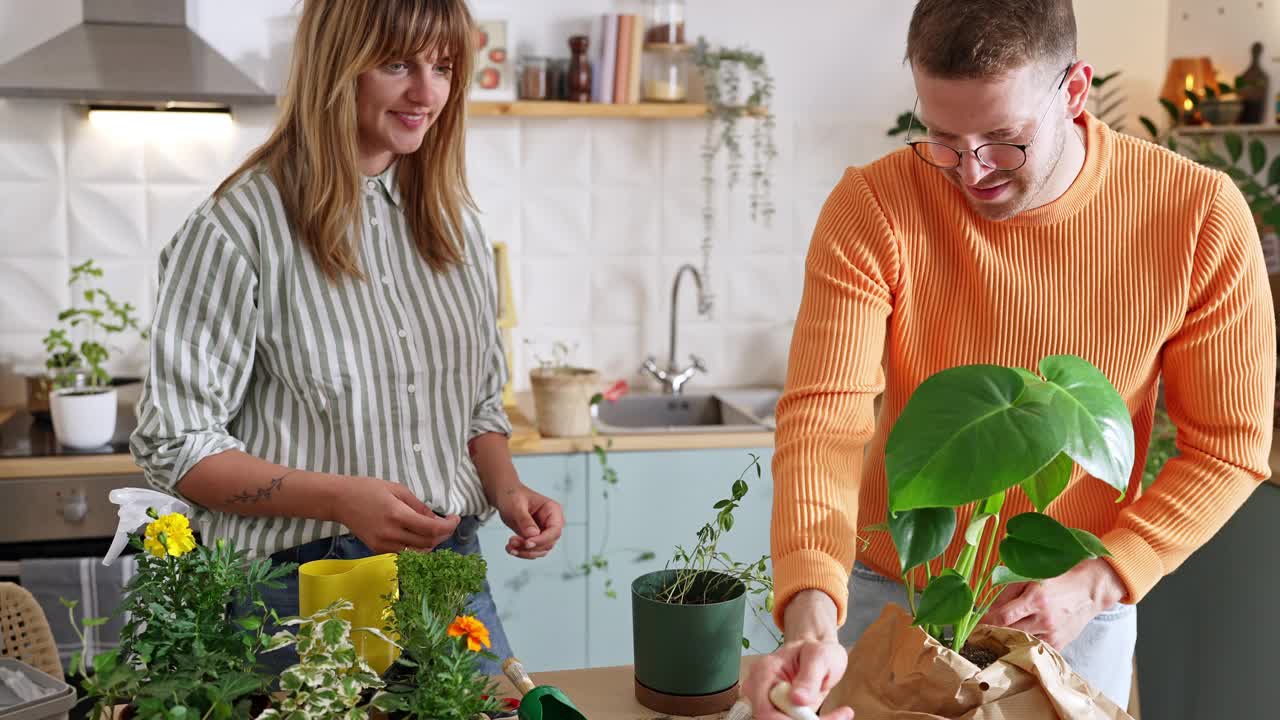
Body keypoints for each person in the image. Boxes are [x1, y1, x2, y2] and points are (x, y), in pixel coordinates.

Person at [745, 1, 1275, 717]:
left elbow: (1230, 446)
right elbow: (823, 420)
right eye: (941, 137)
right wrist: (811, 617)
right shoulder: (876, 204)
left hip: (1075, 612)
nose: (972, 171)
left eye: (1004, 139)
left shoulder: (1198, 215)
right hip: (887, 600)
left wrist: (1098, 584)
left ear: (1075, 90)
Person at [130, 0, 564, 676]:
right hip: (298, 587)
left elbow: (479, 408)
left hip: (446, 572)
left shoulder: (455, 229)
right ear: (338, 66)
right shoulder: (239, 228)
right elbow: (174, 446)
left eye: (443, 67)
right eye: (397, 64)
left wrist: (506, 489)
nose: (427, 93)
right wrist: (339, 498)